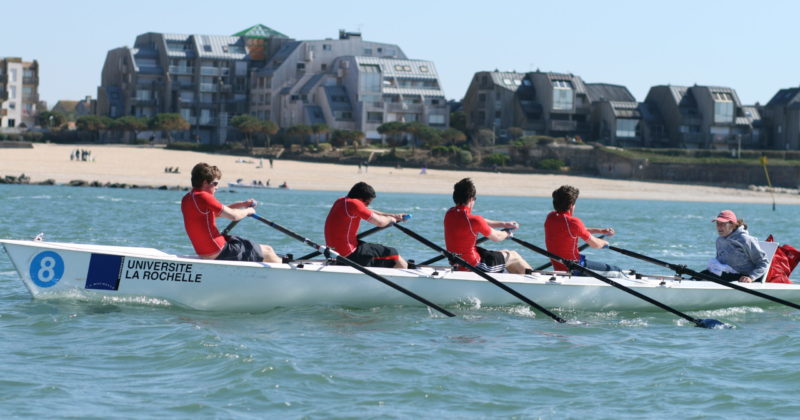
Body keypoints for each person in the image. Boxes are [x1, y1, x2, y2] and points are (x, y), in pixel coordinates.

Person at [181, 162, 282, 263]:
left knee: (252, 247)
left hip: (204, 252)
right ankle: (284, 272)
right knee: (268, 251)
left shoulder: (187, 198)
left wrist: (243, 204)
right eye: (215, 183)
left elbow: (219, 212)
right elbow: (233, 216)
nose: (217, 187)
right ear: (205, 183)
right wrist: (249, 211)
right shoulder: (204, 197)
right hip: (218, 251)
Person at [444, 178, 532, 274]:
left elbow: (481, 222)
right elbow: (496, 237)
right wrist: (507, 233)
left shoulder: (449, 213)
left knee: (504, 253)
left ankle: (519, 279)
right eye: (475, 199)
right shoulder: (474, 220)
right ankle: (534, 280)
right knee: (513, 255)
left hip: (458, 263)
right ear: (470, 199)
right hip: (476, 266)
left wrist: (503, 224)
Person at [324, 182, 408, 268]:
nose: (367, 205)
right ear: (360, 199)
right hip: (349, 255)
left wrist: (393, 215)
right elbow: (380, 223)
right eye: (368, 203)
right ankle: (404, 278)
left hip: (333, 253)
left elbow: (367, 211)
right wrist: (391, 219)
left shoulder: (341, 201)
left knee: (372, 249)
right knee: (394, 254)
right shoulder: (354, 204)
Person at [544, 185, 620, 274]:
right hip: (575, 267)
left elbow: (579, 230)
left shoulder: (551, 217)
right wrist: (604, 242)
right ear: (571, 205)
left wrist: (600, 231)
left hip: (558, 267)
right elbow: (595, 245)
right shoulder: (573, 222)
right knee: (617, 271)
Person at [703, 210, 768, 283]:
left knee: (707, 277)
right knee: (701, 275)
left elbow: (763, 263)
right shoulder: (719, 240)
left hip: (742, 278)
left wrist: (751, 277)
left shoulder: (745, 240)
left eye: (723, 224)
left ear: (732, 225)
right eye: (717, 223)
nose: (719, 227)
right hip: (725, 275)